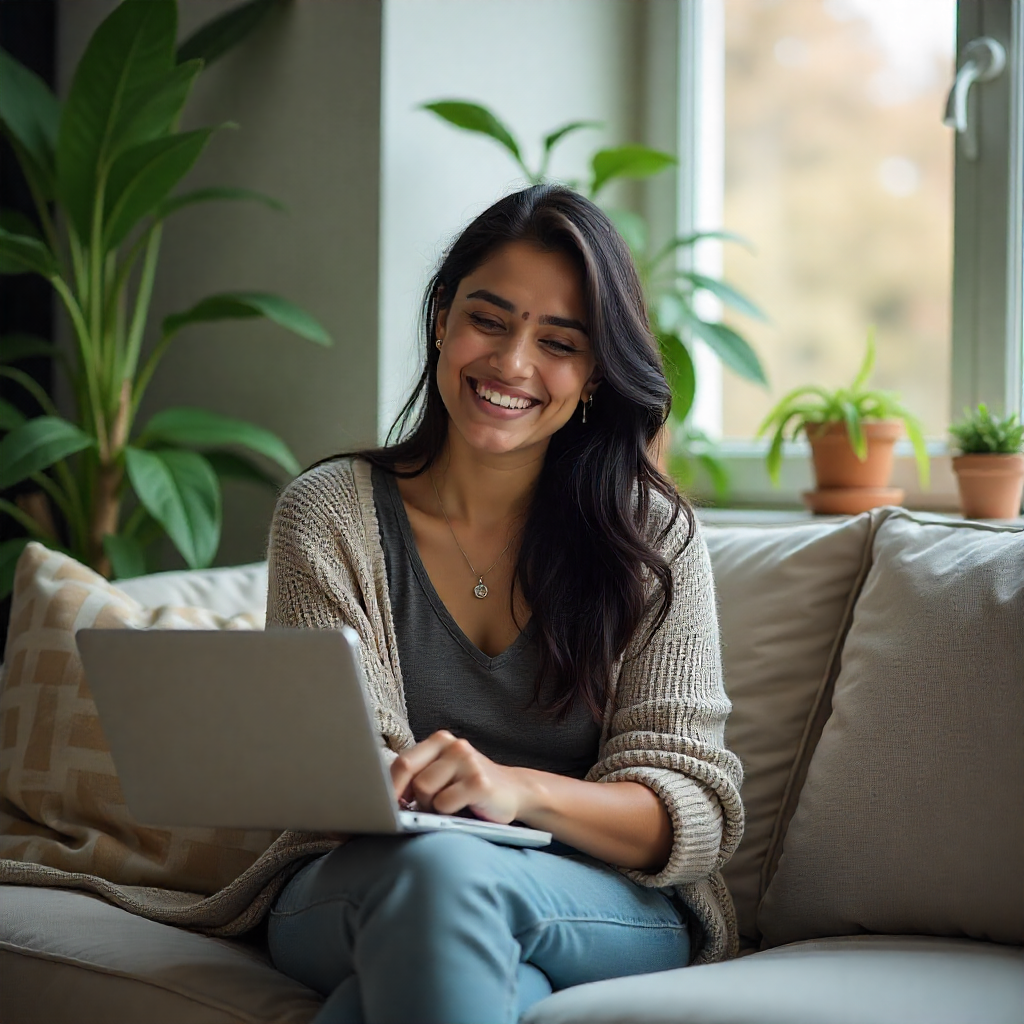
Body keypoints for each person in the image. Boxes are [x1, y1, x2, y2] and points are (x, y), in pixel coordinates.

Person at [265, 184, 744, 1024]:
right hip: (362, 881)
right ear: (442, 319)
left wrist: (516, 792)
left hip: (598, 900)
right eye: (489, 320)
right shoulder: (329, 513)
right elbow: (340, 787)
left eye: (559, 342)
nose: (513, 364)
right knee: (446, 894)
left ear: (595, 374)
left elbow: (689, 810)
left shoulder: (650, 535)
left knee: (436, 921)